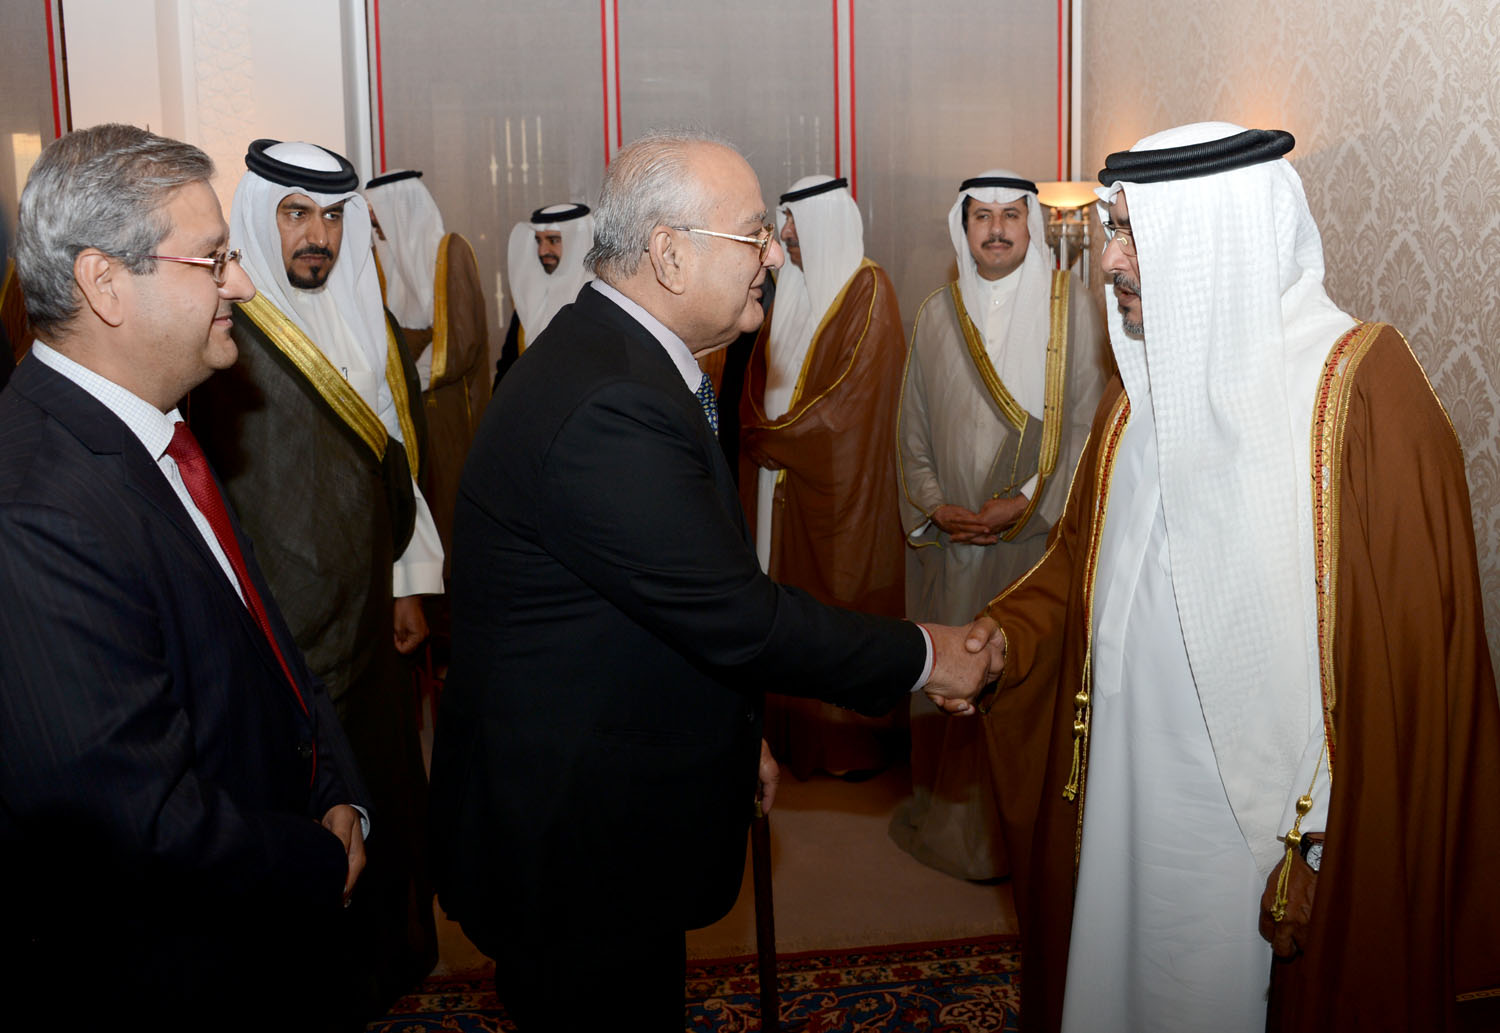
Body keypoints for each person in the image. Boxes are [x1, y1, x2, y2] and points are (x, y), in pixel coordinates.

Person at [428, 130, 999, 1033]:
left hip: (610, 791)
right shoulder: (610, 401)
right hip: (573, 838)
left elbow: (659, 602)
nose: (773, 256)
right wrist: (928, 654)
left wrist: (731, 736)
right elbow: (737, 614)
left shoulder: (617, 356)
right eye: (753, 235)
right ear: (669, 253)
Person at [969, 123, 1500, 1033]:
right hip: (1126, 792)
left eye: (1136, 233)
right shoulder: (1138, 393)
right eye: (1114, 231)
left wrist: (1328, 837)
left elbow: (1408, 663)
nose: (1112, 261)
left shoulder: (1359, 395)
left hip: (1258, 832)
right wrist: (1005, 639)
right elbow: (1085, 571)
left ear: (1217, 237)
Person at [0, 123, 369, 1030]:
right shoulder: (39, 507)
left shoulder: (156, 430)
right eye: (212, 261)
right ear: (104, 283)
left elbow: (266, 643)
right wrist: (317, 860)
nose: (241, 284)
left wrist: (336, 788)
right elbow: (139, 819)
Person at [191, 138, 444, 1016]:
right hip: (276, 630)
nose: (319, 237)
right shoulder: (224, 334)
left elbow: (395, 460)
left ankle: (383, 964)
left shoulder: (367, 311)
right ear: (261, 218)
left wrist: (408, 578)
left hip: (370, 614)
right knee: (299, 815)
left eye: (333, 216)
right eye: (296, 214)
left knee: (384, 792)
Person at [891, 171, 1106, 880]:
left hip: (1035, 544)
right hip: (954, 544)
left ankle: (1021, 836)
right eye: (981, 216)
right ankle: (955, 831)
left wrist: (1032, 502)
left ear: (1030, 224)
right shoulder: (935, 312)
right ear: (964, 227)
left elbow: (1086, 423)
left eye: (1011, 215)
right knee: (955, 680)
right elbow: (912, 426)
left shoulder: (1073, 305)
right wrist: (934, 504)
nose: (996, 229)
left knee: (1022, 684)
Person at [738, 174, 909, 779]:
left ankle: (841, 748)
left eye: (794, 220)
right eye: (783, 219)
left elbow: (847, 407)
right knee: (776, 601)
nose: (785, 233)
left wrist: (774, 440)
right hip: (777, 480)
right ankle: (785, 735)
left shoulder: (869, 290)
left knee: (835, 607)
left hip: (840, 492)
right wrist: (758, 431)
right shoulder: (790, 288)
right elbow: (758, 380)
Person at [363, 169, 491, 582]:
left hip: (445, 406)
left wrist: (406, 378)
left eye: (378, 214)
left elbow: (461, 340)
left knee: (449, 499)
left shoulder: (450, 252)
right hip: (404, 408)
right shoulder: (382, 259)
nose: (374, 224)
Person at [492, 200, 593, 386]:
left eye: (553, 241)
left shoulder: (599, 300)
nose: (542, 251)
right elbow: (508, 366)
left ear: (577, 242)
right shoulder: (532, 296)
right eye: (539, 241)